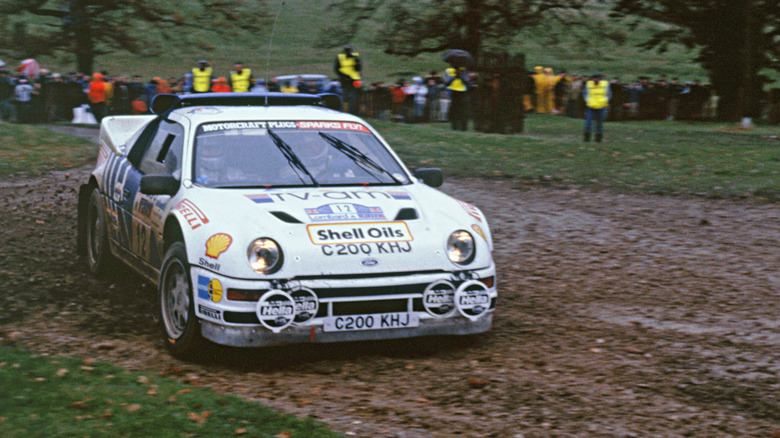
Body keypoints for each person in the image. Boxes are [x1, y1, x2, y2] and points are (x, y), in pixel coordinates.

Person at [582, 72, 611, 142]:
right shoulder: (588, 84)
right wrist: (587, 100)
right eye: (594, 78)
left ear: (600, 78)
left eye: (597, 78)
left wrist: (605, 101)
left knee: (599, 123)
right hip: (591, 106)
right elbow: (585, 93)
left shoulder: (605, 84)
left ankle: (598, 139)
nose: (596, 79)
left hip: (601, 106)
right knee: (588, 123)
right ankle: (587, 138)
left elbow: (609, 94)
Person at [334, 44, 361, 115]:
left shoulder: (355, 57)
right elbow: (336, 69)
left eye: (349, 50)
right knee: (344, 97)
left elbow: (359, 68)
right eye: (346, 50)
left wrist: (357, 63)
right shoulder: (340, 57)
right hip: (344, 80)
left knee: (353, 97)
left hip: (354, 80)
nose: (348, 52)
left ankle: (352, 113)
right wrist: (344, 76)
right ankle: (343, 112)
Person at [444, 66, 469, 130]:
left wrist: (460, 76)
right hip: (453, 92)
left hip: (462, 92)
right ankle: (454, 126)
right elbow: (446, 83)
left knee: (463, 111)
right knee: (454, 110)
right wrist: (454, 77)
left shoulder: (464, 70)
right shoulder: (449, 70)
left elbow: (467, 82)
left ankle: (464, 127)